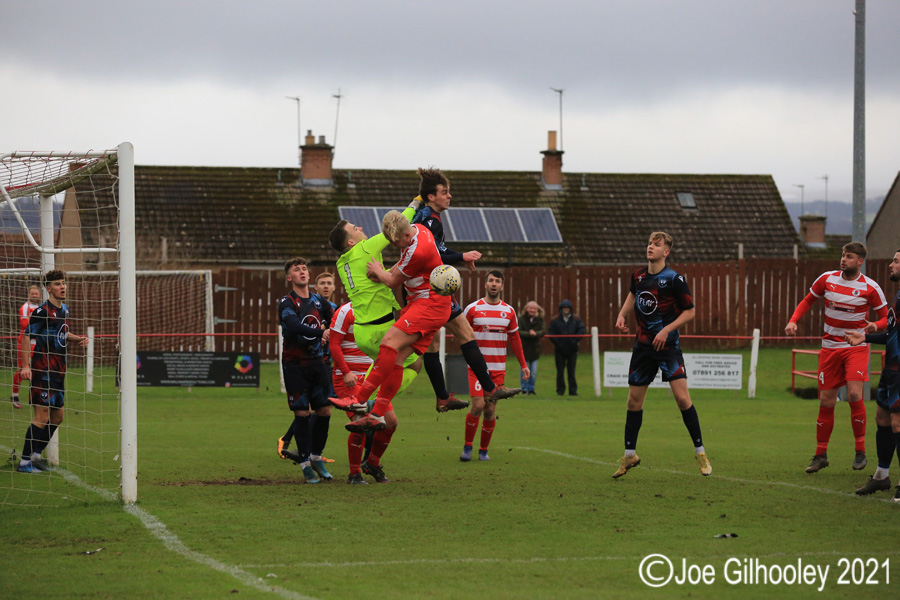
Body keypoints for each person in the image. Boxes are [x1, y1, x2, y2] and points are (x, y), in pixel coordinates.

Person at [329, 211, 454, 482]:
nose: (360, 227)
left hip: (379, 327)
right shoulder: (370, 247)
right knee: (407, 358)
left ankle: (371, 413)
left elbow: (393, 276)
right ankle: (368, 404)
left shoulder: (343, 264)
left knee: (398, 370)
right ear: (352, 242)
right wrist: (418, 200)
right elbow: (393, 265)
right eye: (354, 227)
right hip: (383, 325)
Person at [411, 167, 521, 409]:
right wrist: (462, 255)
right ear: (432, 196)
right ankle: (491, 388)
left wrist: (461, 257)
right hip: (432, 289)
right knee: (465, 333)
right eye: (444, 192)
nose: (449, 196)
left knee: (433, 343)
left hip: (418, 289)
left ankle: (442, 397)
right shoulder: (431, 220)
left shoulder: (423, 215)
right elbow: (432, 253)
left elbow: (429, 248)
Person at [612, 232, 712, 478]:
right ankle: (629, 456)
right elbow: (633, 294)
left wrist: (666, 330)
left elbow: (690, 312)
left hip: (667, 348)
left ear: (666, 252)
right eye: (649, 243)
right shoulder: (638, 275)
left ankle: (700, 453)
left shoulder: (674, 279)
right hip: (643, 347)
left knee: (682, 399)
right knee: (633, 402)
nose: (650, 247)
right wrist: (622, 314)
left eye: (657, 245)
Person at [785, 241, 888, 474]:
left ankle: (860, 451)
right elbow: (807, 300)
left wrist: (874, 326)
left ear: (860, 261)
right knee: (826, 401)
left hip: (855, 347)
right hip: (830, 348)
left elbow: (885, 318)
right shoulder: (827, 279)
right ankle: (821, 454)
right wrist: (793, 320)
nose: (843, 259)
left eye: (849, 256)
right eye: (843, 255)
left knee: (853, 393)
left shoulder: (870, 287)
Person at [16, 271, 89, 473]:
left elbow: (62, 333)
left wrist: (77, 338)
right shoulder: (42, 311)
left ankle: (36, 456)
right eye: (57, 284)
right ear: (48, 288)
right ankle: (24, 462)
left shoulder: (64, 309)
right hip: (42, 369)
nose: (62, 287)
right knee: (42, 416)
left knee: (58, 417)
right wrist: (25, 366)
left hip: (59, 371)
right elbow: (26, 336)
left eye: (63, 283)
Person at [845, 248, 900, 500]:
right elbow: (891, 334)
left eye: (896, 261)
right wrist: (865, 337)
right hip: (891, 369)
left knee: (898, 422)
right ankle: (881, 476)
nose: (891, 265)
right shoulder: (899, 295)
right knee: (882, 418)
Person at [459, 271, 529, 461]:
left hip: (497, 369)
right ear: (485, 284)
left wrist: (523, 364)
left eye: (497, 281)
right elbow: (462, 334)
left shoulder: (509, 311)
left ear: (502, 286)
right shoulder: (472, 308)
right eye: (491, 280)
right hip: (476, 367)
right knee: (478, 405)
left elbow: (515, 339)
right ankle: (467, 448)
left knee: (490, 410)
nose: (493, 284)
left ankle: (483, 450)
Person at [278, 257, 334, 484]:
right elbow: (292, 326)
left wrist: (328, 331)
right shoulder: (286, 302)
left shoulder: (320, 302)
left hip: (318, 364)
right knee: (301, 413)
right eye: (296, 270)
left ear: (309, 276)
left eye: (304, 269)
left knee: (325, 411)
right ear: (289, 277)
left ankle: (316, 457)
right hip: (295, 365)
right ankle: (304, 464)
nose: (302, 272)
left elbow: (335, 321)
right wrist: (321, 333)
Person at [328, 301, 376, 484]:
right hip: (348, 379)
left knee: (391, 422)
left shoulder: (379, 308)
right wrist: (347, 372)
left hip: (373, 378)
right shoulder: (345, 311)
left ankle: (372, 464)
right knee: (362, 422)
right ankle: (354, 473)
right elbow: (334, 345)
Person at [11, 284, 42, 409]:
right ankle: (14, 395)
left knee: (37, 369)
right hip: (25, 342)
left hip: (38, 342)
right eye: (32, 293)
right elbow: (24, 324)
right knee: (22, 369)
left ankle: (35, 396)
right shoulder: (25, 307)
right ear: (28, 294)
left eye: (36, 293)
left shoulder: (41, 307)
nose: (34, 295)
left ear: (40, 295)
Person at [548, 299, 585, 395]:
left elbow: (581, 331)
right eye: (564, 308)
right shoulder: (555, 320)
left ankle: (573, 391)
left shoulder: (576, 319)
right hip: (559, 350)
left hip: (572, 350)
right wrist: (558, 343)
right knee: (560, 372)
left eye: (567, 308)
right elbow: (551, 333)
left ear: (570, 309)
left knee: (571, 372)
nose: (565, 310)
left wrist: (574, 340)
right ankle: (560, 391)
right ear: (561, 309)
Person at [518, 301, 545, 395]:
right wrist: (529, 334)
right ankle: (524, 389)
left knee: (533, 371)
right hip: (524, 349)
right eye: (531, 308)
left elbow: (543, 331)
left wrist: (536, 333)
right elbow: (518, 331)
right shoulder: (521, 319)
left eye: (534, 308)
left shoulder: (540, 319)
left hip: (535, 349)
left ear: (537, 310)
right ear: (527, 309)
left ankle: (531, 389)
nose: (532, 310)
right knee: (524, 371)